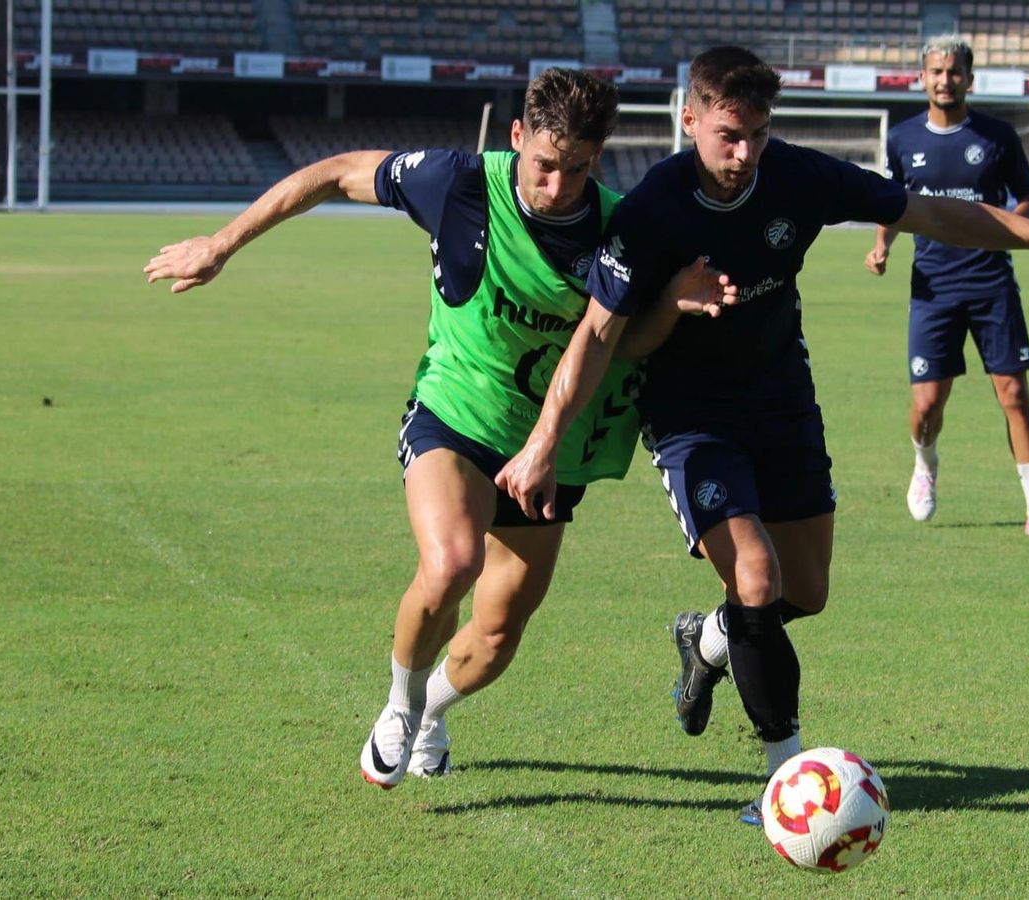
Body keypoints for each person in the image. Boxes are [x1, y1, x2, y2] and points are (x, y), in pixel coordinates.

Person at [494, 46, 1029, 825]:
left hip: (783, 403)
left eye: (759, 135)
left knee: (806, 592)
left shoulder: (800, 177)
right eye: (729, 135)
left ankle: (706, 642)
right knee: (759, 580)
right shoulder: (651, 211)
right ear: (689, 119)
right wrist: (550, 433)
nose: (745, 154)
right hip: (692, 419)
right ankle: (785, 780)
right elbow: (610, 340)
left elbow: (933, 213)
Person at [142, 69, 733, 790]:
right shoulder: (457, 184)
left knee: (495, 637)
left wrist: (673, 302)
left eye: (578, 168)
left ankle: (430, 712)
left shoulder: (621, 226)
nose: (558, 186)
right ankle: (398, 706)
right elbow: (335, 174)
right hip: (454, 415)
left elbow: (625, 345)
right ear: (517, 138)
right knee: (451, 562)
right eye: (546, 165)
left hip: (551, 449)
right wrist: (224, 242)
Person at [864, 36, 1029, 538]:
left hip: (991, 281)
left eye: (954, 72)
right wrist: (882, 245)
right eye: (936, 72)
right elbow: (894, 201)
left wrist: (1003, 231)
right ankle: (925, 463)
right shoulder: (904, 138)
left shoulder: (997, 137)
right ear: (923, 77)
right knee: (928, 405)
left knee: (1014, 394)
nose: (945, 80)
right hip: (933, 286)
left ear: (969, 79)